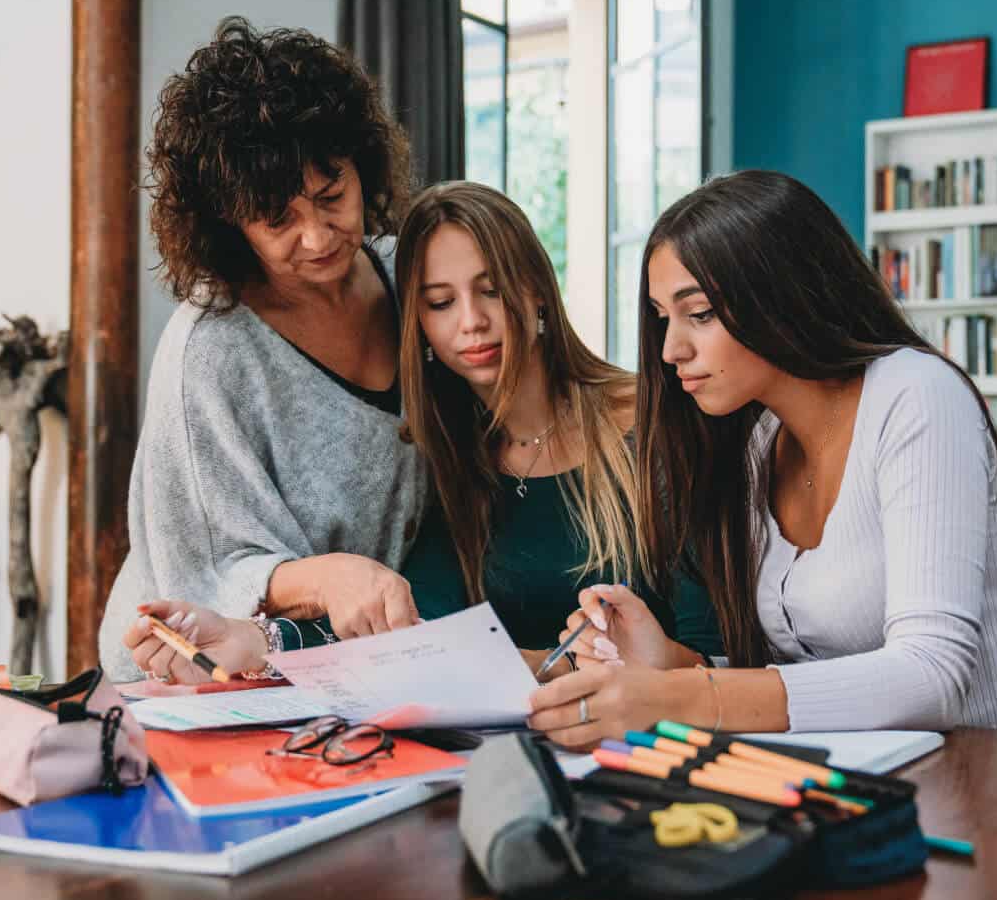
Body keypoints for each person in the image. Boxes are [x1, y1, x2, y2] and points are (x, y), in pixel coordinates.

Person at [528, 170, 997, 747]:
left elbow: (932, 677)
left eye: (698, 314)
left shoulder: (918, 396)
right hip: (850, 781)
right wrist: (663, 664)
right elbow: (809, 685)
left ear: (783, 296)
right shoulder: (761, 445)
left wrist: (673, 696)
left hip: (984, 783)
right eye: (662, 318)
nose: (672, 350)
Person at [123, 182, 723, 678]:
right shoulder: (449, 462)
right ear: (420, 330)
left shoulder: (651, 423)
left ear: (538, 290)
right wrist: (253, 641)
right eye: (440, 303)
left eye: (491, 289)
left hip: (651, 749)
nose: (473, 323)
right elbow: (407, 635)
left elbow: (714, 653)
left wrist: (616, 664)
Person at [99, 17, 427, 684]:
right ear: (230, 225)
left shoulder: (414, 280)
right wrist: (332, 577)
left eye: (331, 196)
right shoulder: (210, 350)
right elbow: (198, 569)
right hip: (192, 676)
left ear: (363, 168)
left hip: (338, 662)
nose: (317, 237)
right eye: (278, 221)